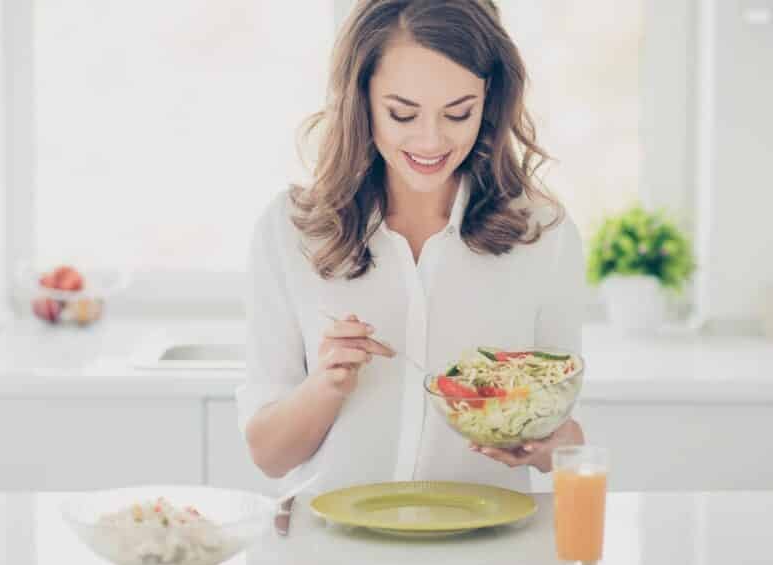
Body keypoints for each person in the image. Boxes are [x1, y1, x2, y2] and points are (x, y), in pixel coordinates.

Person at [237, 0, 585, 495]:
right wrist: (327, 385)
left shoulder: (543, 234)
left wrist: (538, 444)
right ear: (361, 101)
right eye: (402, 113)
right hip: (330, 550)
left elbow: (571, 439)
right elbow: (268, 456)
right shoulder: (292, 231)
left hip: (483, 546)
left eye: (458, 113)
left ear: (490, 100)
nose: (431, 140)